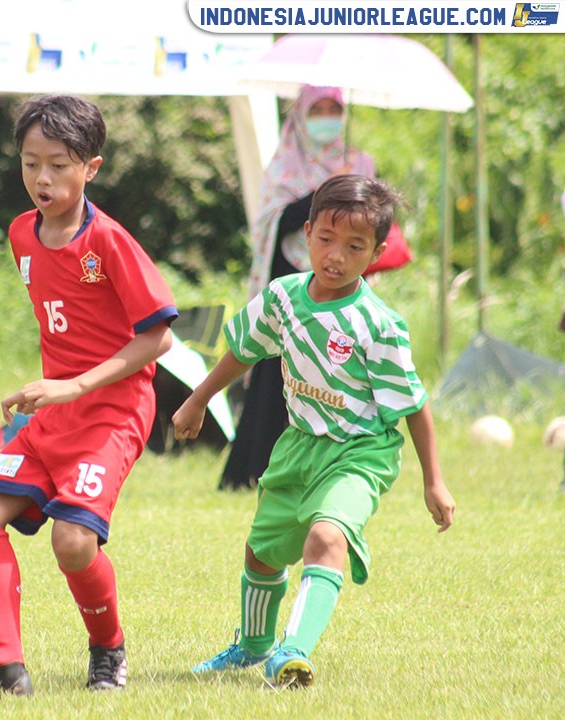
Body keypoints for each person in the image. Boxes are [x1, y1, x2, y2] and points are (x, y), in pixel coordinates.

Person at [172, 174, 455, 689]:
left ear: (377, 253)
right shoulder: (282, 298)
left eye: (354, 247)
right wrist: (197, 400)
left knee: (327, 537)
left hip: (360, 452)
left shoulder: (379, 324)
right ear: (306, 233)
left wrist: (433, 480)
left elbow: (413, 404)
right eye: (326, 239)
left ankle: (293, 652)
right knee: (261, 550)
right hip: (299, 444)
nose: (335, 256)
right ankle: (253, 645)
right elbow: (243, 350)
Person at [0, 95, 178, 695]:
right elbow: (66, 324)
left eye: (59, 165)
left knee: (73, 543)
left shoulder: (109, 242)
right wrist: (46, 390)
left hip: (112, 415)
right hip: (53, 417)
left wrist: (72, 384)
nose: (42, 178)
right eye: (30, 163)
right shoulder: (22, 234)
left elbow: (158, 338)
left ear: (90, 168)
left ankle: (109, 651)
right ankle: (4, 668)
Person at [220, 85, 376, 491]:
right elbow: (273, 221)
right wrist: (321, 194)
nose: (326, 117)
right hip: (295, 284)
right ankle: (257, 468)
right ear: (301, 116)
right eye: (318, 110)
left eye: (334, 109)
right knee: (279, 376)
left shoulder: (358, 162)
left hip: (343, 295)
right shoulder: (284, 165)